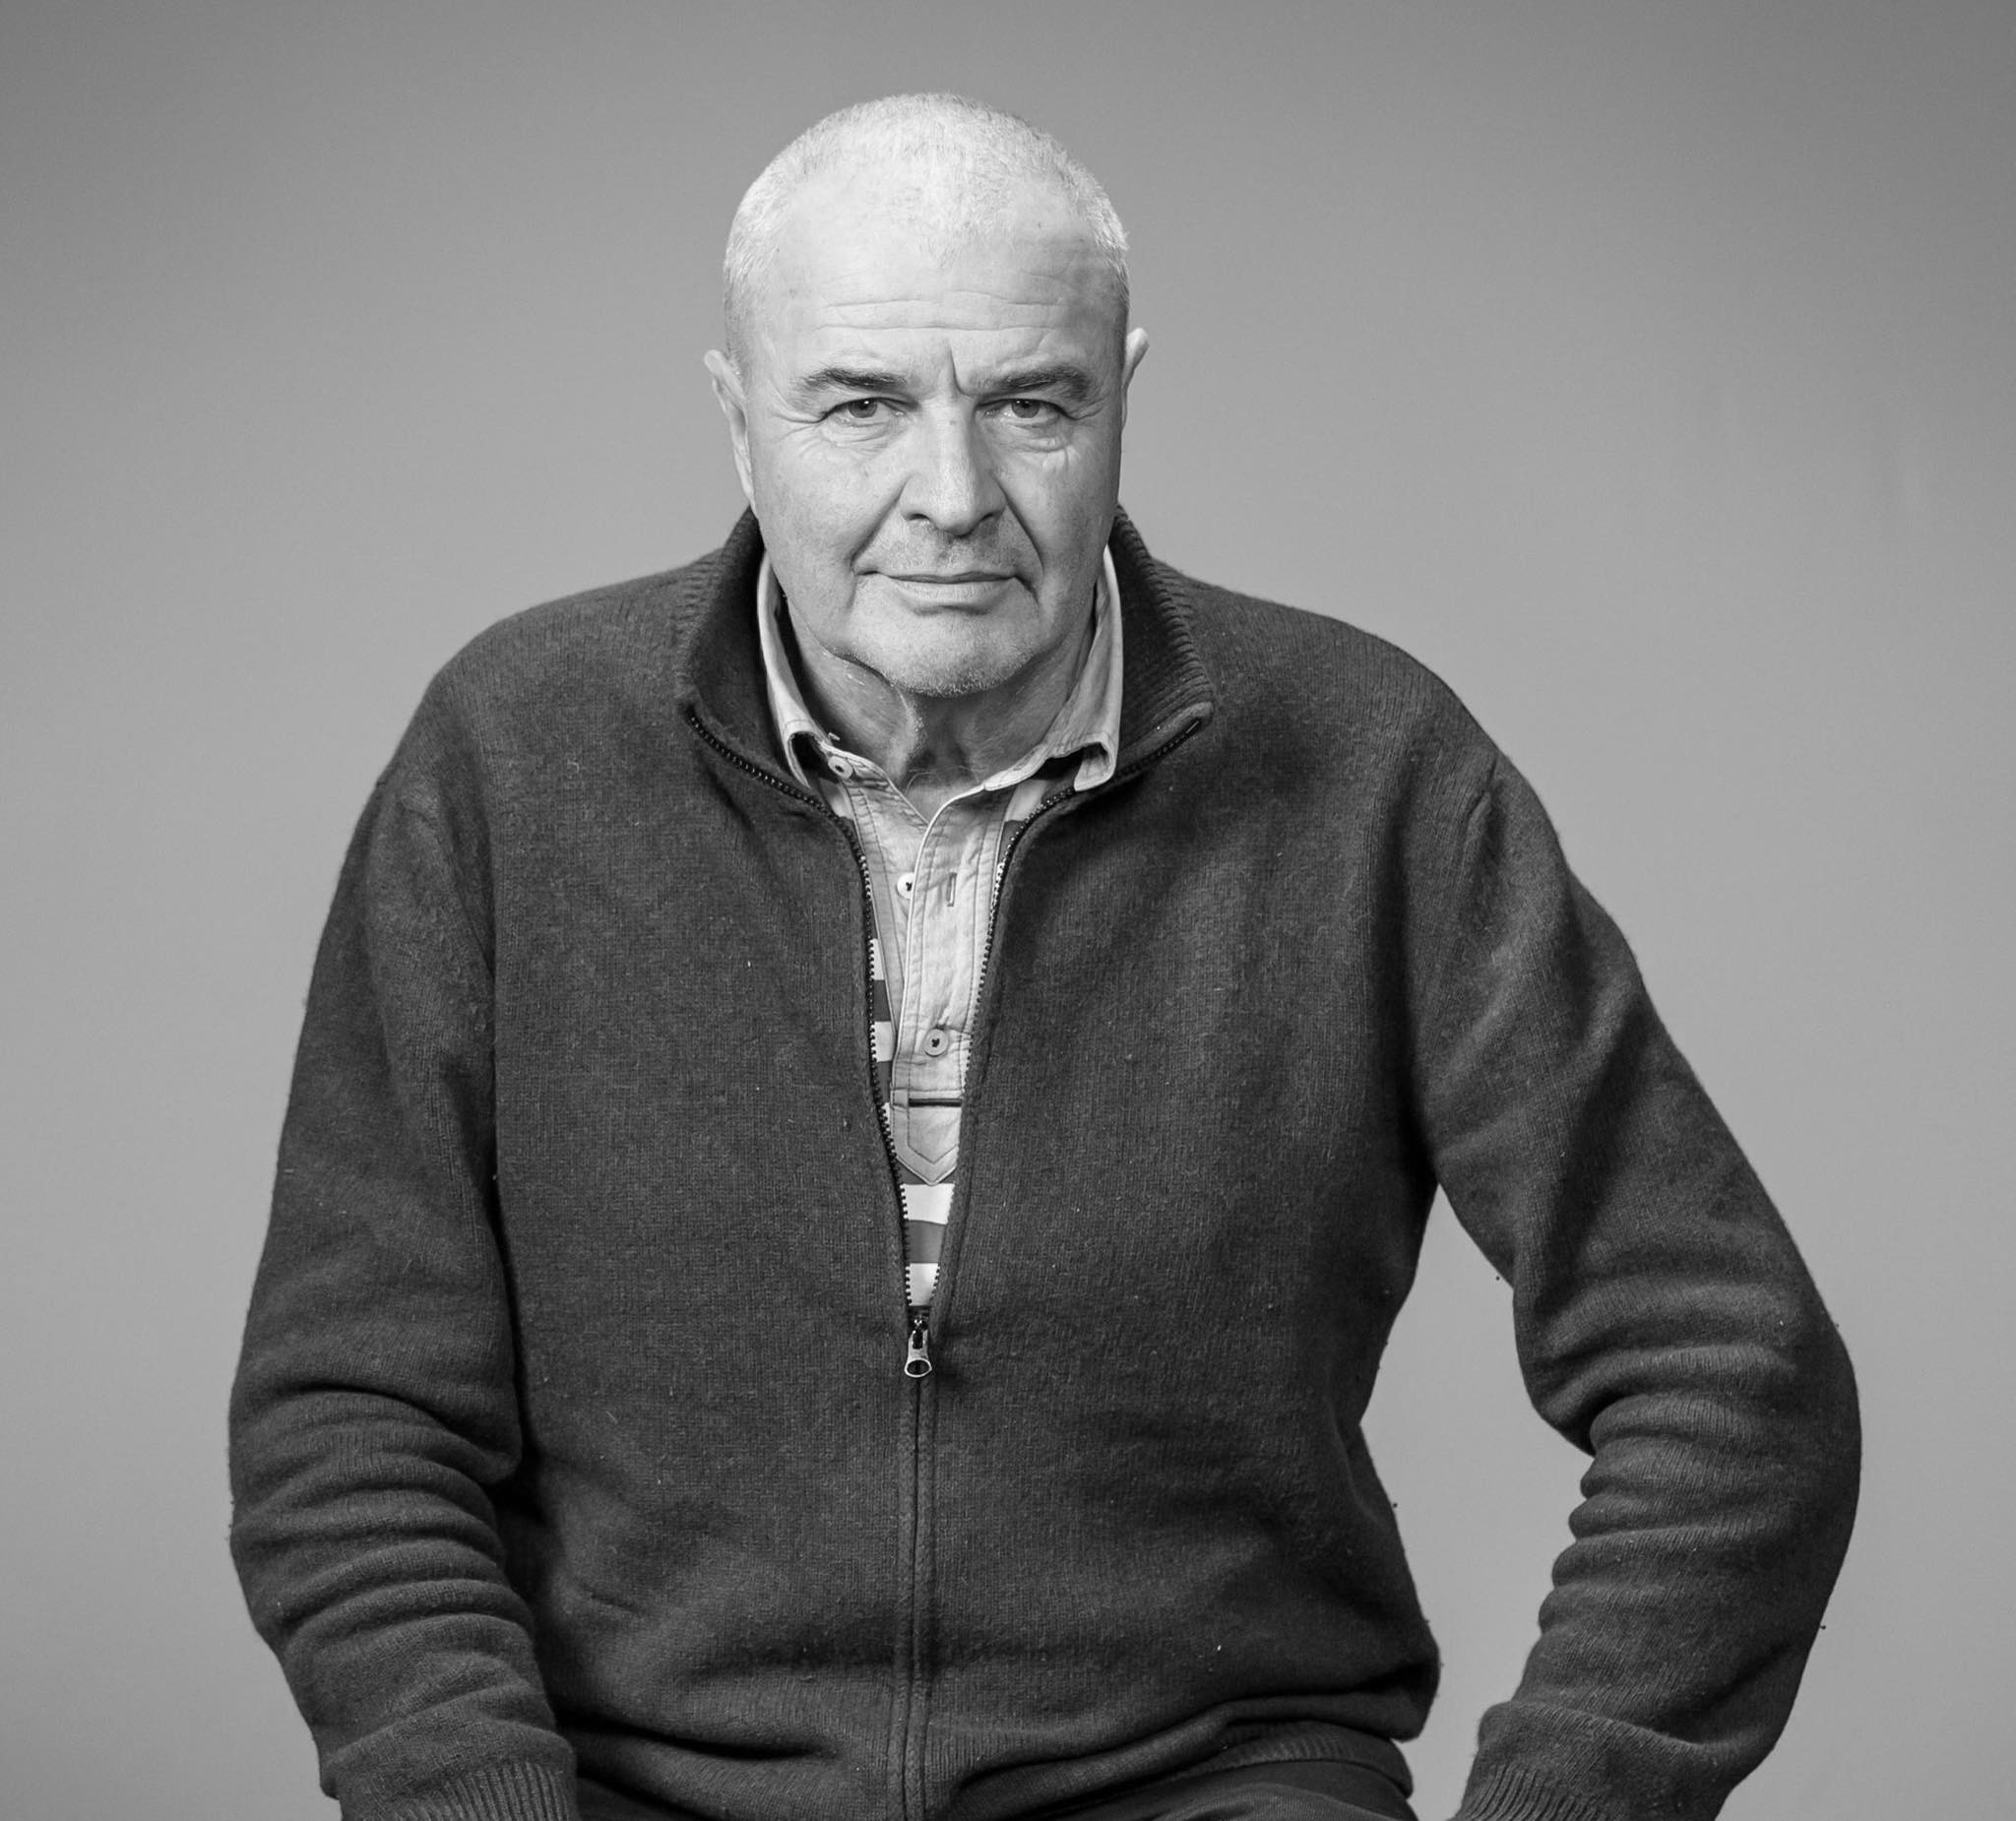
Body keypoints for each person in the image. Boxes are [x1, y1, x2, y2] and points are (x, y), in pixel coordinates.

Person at [229, 94, 1858, 1821]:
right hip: (628, 1784)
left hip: (1216, 1778)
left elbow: (1731, 1370)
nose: (953, 496)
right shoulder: (510, 761)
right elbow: (352, 1412)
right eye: (861, 404)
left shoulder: (1377, 770)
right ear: (737, 422)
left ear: (1121, 400)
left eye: (1031, 403)